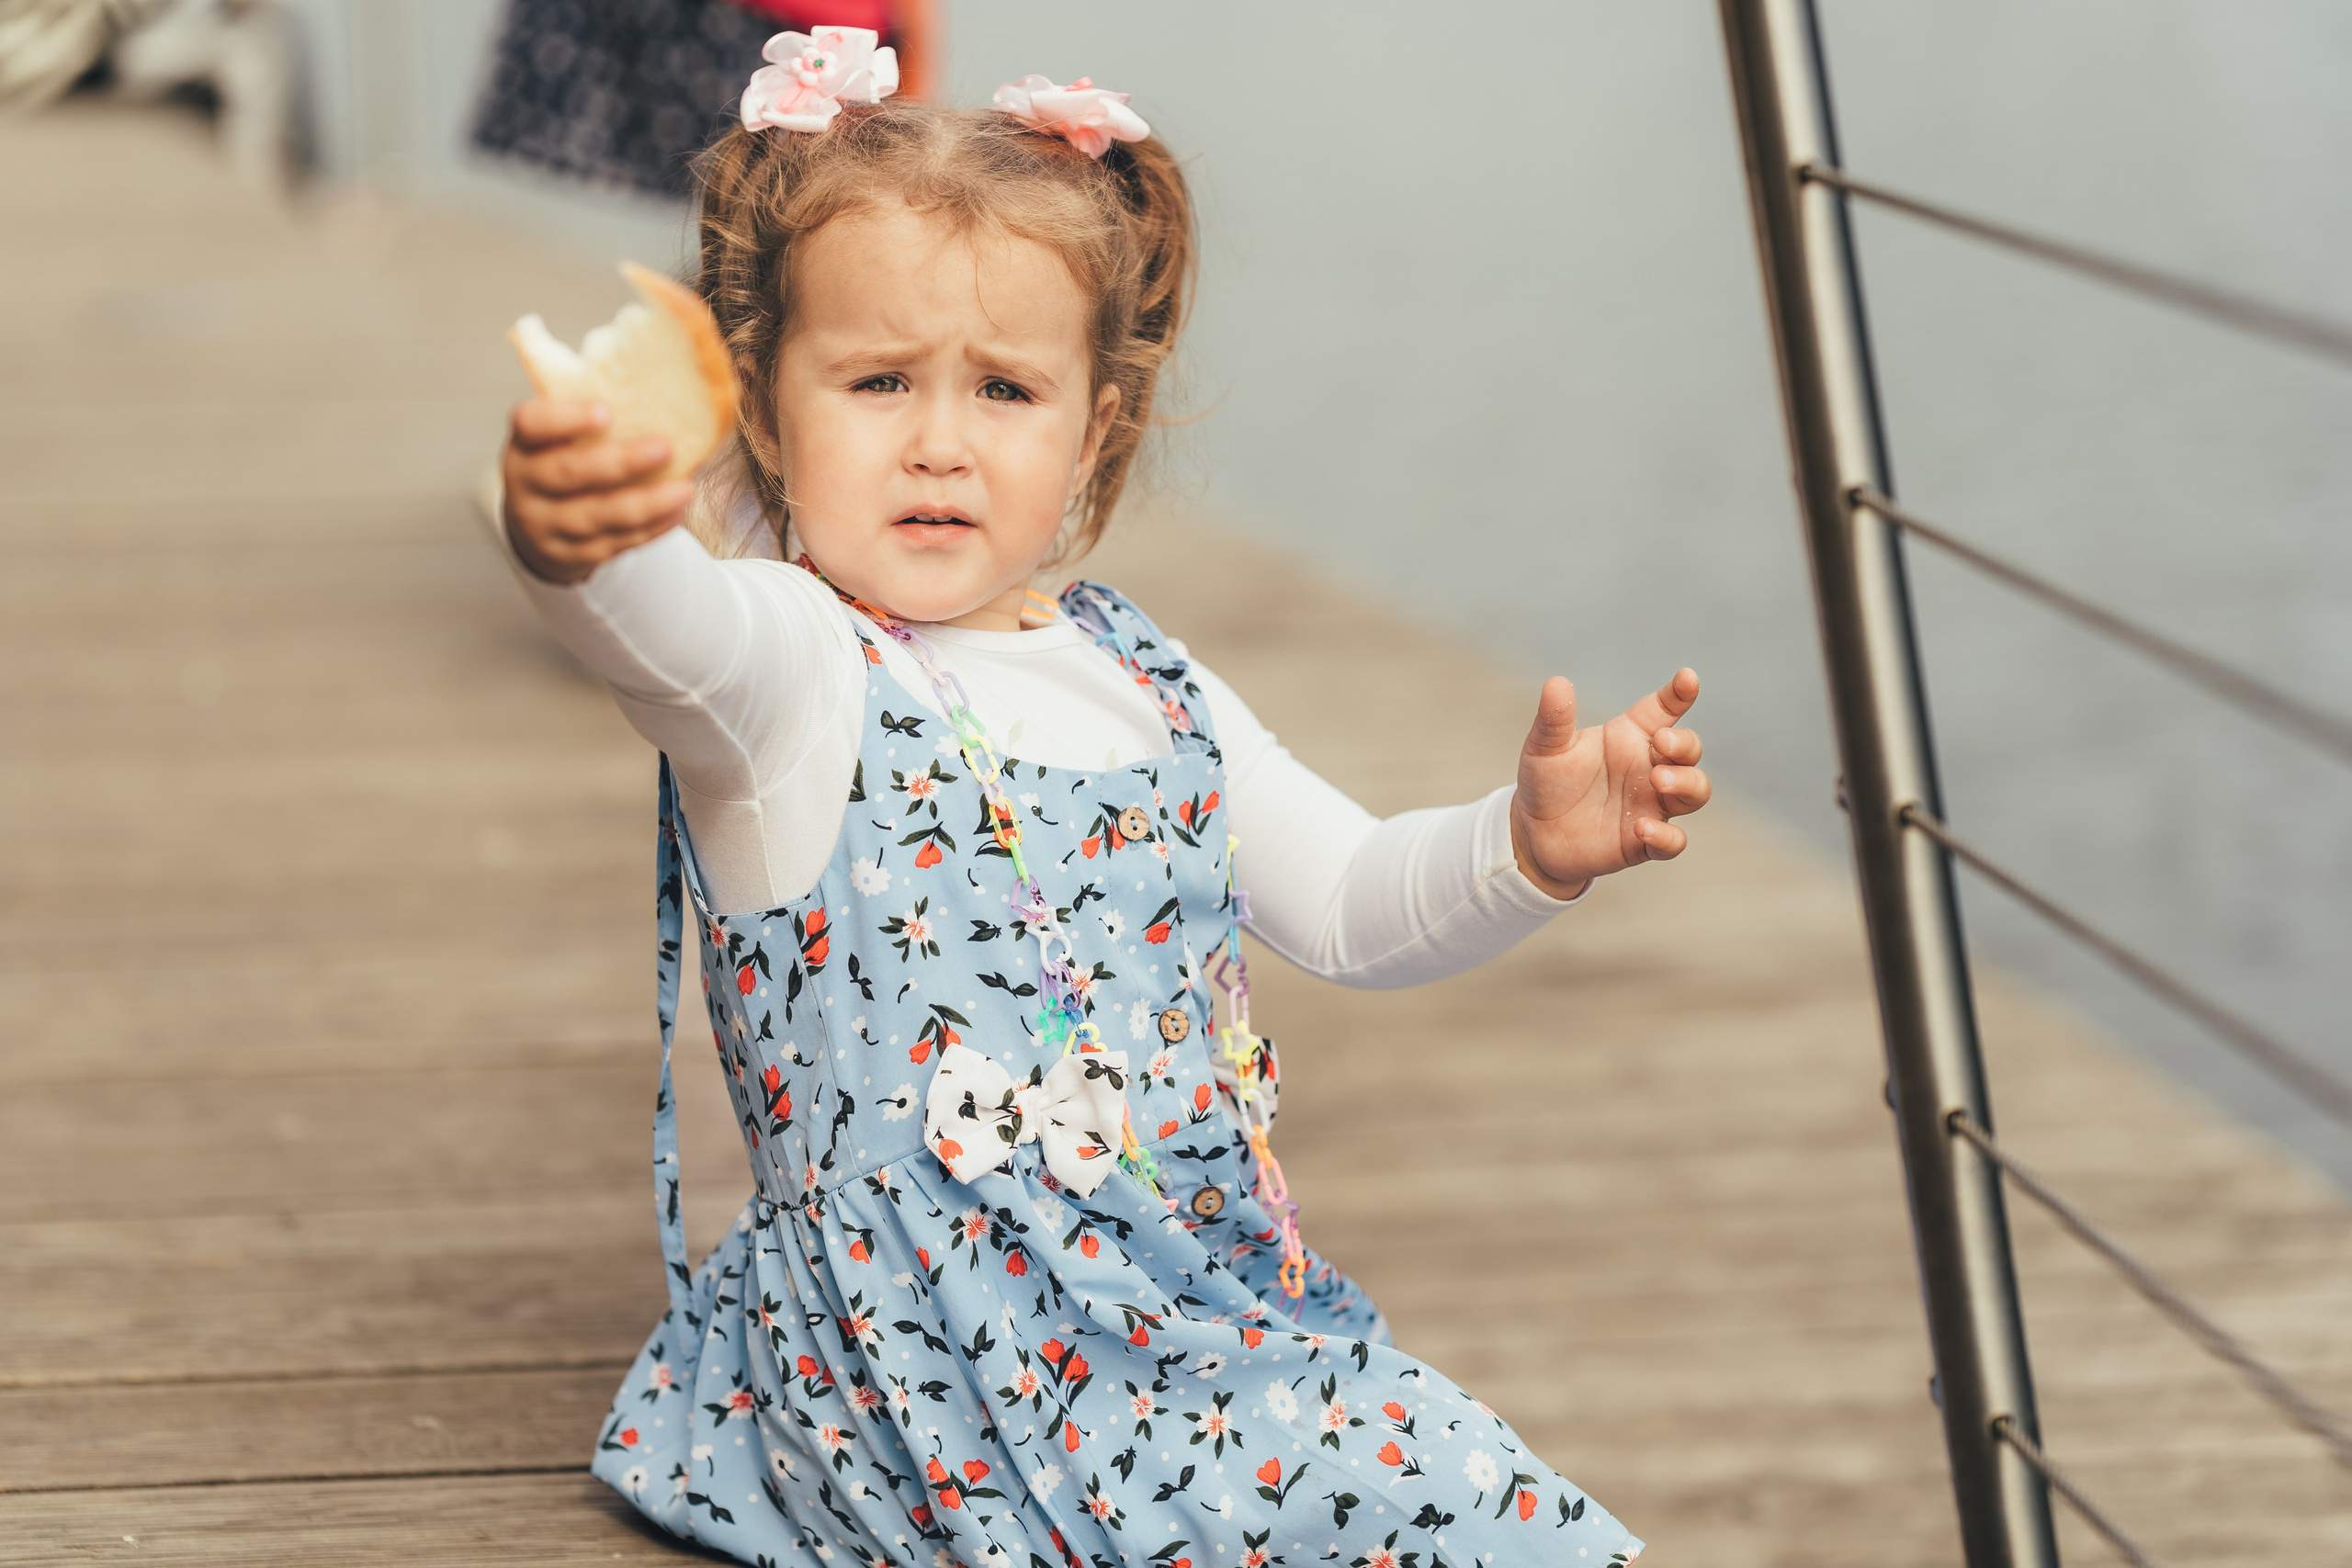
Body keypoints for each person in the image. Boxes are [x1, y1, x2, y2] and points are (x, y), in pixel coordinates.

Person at [498, 27, 1703, 1567]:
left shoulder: (1150, 684)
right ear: (769, 416)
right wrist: (576, 533)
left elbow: (1350, 903)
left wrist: (1524, 848)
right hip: (921, 1366)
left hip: (1176, 1314)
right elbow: (652, 619)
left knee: (1469, 1492)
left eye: (1005, 389)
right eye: (877, 381)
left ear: (1094, 431)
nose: (939, 443)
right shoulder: (789, 672)